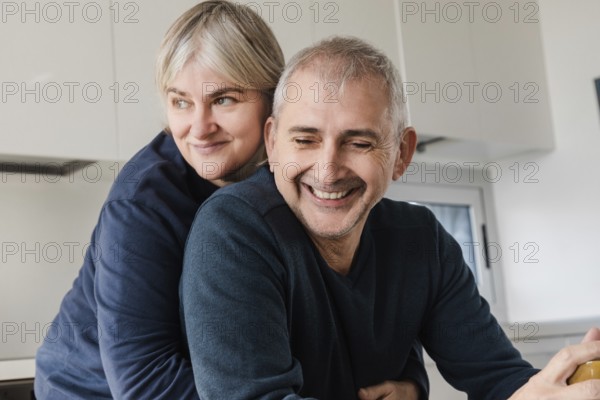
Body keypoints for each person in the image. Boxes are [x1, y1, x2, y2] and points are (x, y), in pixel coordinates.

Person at [180, 36, 600, 399]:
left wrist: (568, 384)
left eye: (358, 142)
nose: (327, 170)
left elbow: (498, 378)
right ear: (273, 143)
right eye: (305, 139)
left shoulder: (422, 241)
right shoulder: (233, 232)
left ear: (401, 154)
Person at [34, 1, 284, 398]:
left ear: (272, 99)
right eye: (181, 101)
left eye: (223, 99)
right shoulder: (140, 207)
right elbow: (143, 381)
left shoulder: (288, 182)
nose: (199, 129)